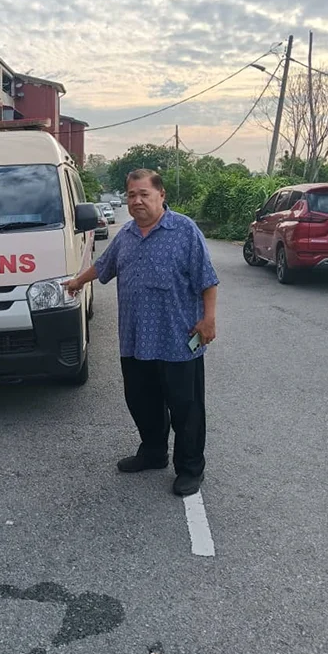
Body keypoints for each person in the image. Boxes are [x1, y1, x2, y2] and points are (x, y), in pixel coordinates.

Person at [65, 169, 219, 496]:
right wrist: (78, 281)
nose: (136, 201)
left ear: (161, 195)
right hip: (136, 341)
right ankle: (152, 453)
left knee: (186, 408)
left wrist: (209, 319)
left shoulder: (184, 230)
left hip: (178, 340)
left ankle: (190, 468)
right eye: (131, 195)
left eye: (144, 194)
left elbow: (207, 279)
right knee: (142, 402)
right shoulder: (126, 235)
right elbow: (104, 266)